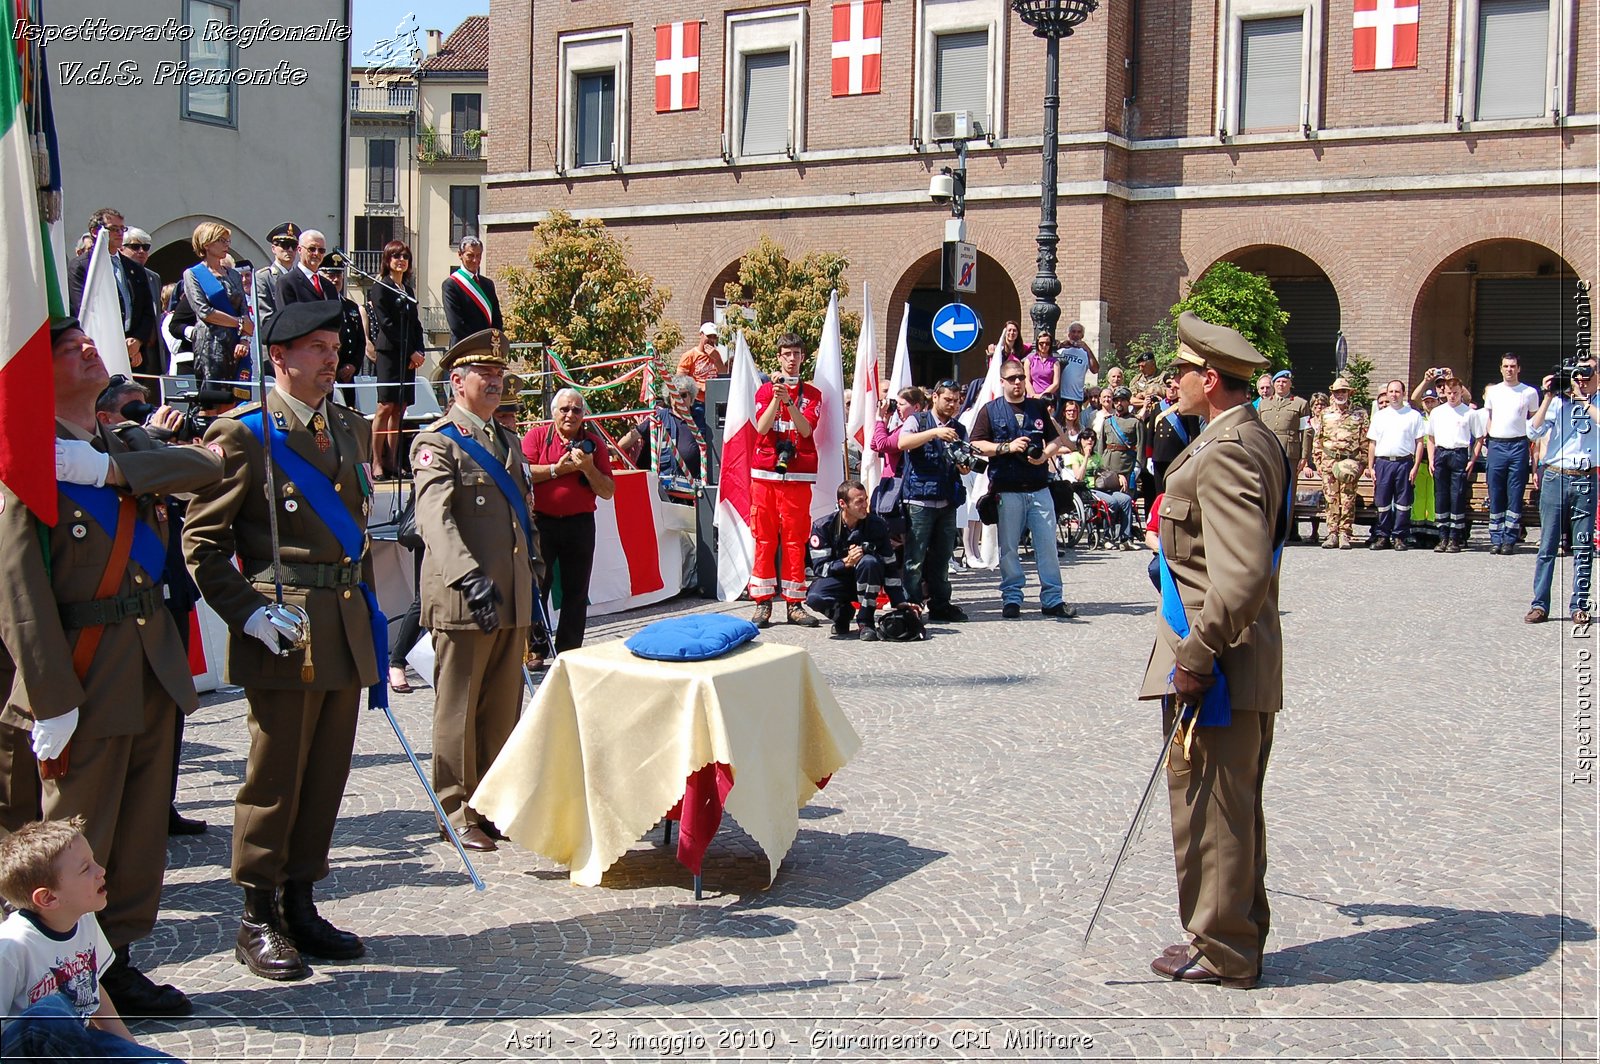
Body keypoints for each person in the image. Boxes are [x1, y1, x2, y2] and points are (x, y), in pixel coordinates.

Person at [0, 319, 223, 1015]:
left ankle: (113, 960)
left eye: (86, 342)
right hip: (84, 670)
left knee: (136, 829)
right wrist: (51, 696)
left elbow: (206, 466)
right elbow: (18, 591)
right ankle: (52, 975)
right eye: (67, 350)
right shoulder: (24, 464)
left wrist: (108, 469)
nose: (88, 348)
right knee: (74, 833)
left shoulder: (119, 443)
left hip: (149, 664)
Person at [183, 300, 380, 982]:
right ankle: (256, 914)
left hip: (344, 623)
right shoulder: (242, 436)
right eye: (316, 347)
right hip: (285, 629)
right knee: (274, 778)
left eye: (334, 345)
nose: (332, 357)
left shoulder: (349, 428)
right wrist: (247, 614)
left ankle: (301, 901)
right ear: (279, 357)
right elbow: (203, 545)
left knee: (325, 776)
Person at [1141, 311, 1289, 992]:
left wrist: (1197, 656)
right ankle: (1232, 931)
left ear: (1208, 378)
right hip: (1237, 651)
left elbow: (1241, 574)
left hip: (1221, 659)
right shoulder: (1252, 435)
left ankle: (1224, 950)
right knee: (1230, 803)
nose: (1170, 382)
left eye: (1178, 371)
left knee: (1214, 808)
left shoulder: (1227, 449)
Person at [412, 329, 537, 853]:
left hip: (510, 597)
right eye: (484, 375)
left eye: (499, 374)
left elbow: (518, 516)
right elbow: (434, 520)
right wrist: (469, 577)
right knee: (458, 710)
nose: (495, 382)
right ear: (456, 382)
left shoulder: (504, 440)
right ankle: (454, 809)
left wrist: (535, 565)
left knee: (501, 708)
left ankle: (492, 803)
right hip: (467, 597)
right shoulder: (436, 441)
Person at [0, 819, 186, 1061]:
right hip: (24, 1051)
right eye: (85, 868)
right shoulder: (11, 947)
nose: (101, 871)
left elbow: (91, 986)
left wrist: (134, 1050)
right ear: (47, 898)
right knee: (53, 1011)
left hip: (78, 1045)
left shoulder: (83, 918)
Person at [969, 358, 1074, 619]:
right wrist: (1006, 447)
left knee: (1047, 546)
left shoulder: (1037, 407)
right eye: (1013, 378)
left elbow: (1054, 440)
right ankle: (1012, 598)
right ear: (1002, 381)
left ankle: (1052, 599)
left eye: (1021, 378)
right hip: (1007, 490)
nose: (1018, 382)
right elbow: (976, 444)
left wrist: (1043, 456)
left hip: (1039, 489)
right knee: (1009, 549)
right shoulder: (991, 410)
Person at [521, 388, 615, 651]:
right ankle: (536, 648)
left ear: (583, 414)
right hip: (543, 523)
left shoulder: (594, 445)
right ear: (553, 413)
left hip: (580, 524)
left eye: (576, 410)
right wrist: (557, 470)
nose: (570, 415)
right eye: (564, 409)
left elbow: (607, 491)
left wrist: (587, 467)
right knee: (538, 587)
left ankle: (568, 652)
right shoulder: (537, 436)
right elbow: (522, 472)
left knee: (577, 591)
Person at [746, 334, 823, 627]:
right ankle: (763, 602)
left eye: (796, 354)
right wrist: (776, 399)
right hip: (765, 473)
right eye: (786, 354)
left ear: (803, 357)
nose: (792, 359)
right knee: (764, 538)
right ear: (778, 357)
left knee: (795, 540)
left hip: (798, 474)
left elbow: (805, 430)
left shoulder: (813, 394)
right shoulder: (765, 391)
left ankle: (794, 603)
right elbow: (762, 426)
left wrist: (790, 403)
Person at [1525, 364, 1598, 625]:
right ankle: (1539, 604)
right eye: (1576, 375)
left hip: (1586, 478)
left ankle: (1579, 605)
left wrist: (1582, 400)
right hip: (1556, 475)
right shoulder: (1557, 403)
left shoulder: (1597, 401)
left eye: (1587, 374)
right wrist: (1547, 396)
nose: (1581, 379)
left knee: (1583, 546)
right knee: (1547, 545)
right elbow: (1532, 431)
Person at [893, 380, 970, 620]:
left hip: (946, 500)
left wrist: (964, 465)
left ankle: (940, 604)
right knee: (914, 559)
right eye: (948, 399)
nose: (952, 405)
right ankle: (912, 605)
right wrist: (934, 433)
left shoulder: (959, 427)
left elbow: (964, 465)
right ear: (935, 397)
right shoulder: (918, 420)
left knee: (942, 557)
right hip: (918, 501)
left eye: (956, 400)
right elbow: (902, 443)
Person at [805, 480, 904, 639]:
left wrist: (898, 600)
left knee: (869, 562)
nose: (865, 505)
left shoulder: (877, 525)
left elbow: (890, 565)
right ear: (843, 504)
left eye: (866, 499)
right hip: (839, 580)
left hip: (867, 578)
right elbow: (819, 568)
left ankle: (866, 621)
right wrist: (845, 562)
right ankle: (842, 615)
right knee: (815, 597)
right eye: (859, 502)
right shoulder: (823, 527)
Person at [365, 240, 425, 478]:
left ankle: (393, 460)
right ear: (387, 260)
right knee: (385, 406)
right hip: (390, 353)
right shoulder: (381, 286)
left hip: (409, 355)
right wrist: (409, 350)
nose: (401, 260)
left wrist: (418, 350)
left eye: (405, 256)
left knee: (400, 408)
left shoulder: (407, 290)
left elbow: (416, 324)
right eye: (395, 256)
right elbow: (386, 324)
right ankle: (377, 461)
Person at [68, 208, 151, 373]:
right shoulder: (81, 266)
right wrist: (118, 345)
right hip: (100, 347)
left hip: (133, 352)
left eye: (122, 229)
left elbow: (147, 310)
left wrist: (138, 340)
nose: (120, 233)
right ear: (94, 231)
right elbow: (83, 309)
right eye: (114, 229)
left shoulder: (133, 268)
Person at [1483, 352, 1541, 554]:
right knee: (1496, 491)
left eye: (1513, 366)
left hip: (1518, 445)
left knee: (1515, 493)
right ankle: (1495, 538)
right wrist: (1489, 439)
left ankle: (1510, 539)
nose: (1509, 370)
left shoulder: (1529, 392)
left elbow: (1535, 421)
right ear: (1501, 368)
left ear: (1519, 368)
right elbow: (1489, 417)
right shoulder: (1493, 392)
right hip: (1497, 445)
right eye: (1506, 366)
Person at [182, 222, 252, 385]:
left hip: (236, 344)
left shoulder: (233, 275)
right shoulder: (193, 274)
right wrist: (239, 323)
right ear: (207, 244)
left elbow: (244, 309)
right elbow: (204, 311)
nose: (226, 245)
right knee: (215, 395)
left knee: (239, 395)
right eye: (221, 240)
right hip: (211, 345)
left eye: (228, 241)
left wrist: (244, 340)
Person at [1364, 380, 1427, 550]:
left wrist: (1415, 466)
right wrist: (1371, 466)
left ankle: (1400, 537)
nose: (1394, 395)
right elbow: (1372, 443)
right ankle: (1383, 536)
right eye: (1391, 392)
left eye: (1397, 391)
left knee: (1403, 502)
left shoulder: (1413, 415)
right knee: (1382, 502)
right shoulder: (1380, 416)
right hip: (1383, 463)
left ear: (1403, 393)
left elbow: (1419, 442)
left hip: (1404, 462)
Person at [1312, 377, 1368, 549]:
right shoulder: (1325, 414)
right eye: (1337, 392)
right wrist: (1318, 461)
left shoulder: (1360, 414)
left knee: (1348, 499)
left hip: (1350, 462)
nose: (1340, 395)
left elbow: (1365, 441)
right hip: (1329, 461)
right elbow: (1318, 439)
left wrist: (1362, 464)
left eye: (1343, 391)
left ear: (1349, 393)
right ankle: (1332, 533)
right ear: (1333, 394)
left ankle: (1345, 533)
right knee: (1331, 499)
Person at [441, 236, 504, 345]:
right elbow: (456, 324)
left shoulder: (488, 284)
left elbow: (497, 319)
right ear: (460, 255)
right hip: (463, 348)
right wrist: (479, 343)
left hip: (488, 348)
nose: (475, 260)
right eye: (470, 256)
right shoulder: (451, 285)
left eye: (478, 255)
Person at [319, 253, 369, 386]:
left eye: (339, 276)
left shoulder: (350, 306)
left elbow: (360, 340)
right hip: (327, 371)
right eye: (331, 276)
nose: (335, 280)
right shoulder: (319, 305)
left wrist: (353, 365)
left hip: (348, 374)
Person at [119, 227, 162, 368]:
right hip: (128, 345)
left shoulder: (154, 277)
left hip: (151, 347)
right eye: (135, 247)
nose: (141, 251)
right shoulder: (118, 275)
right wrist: (136, 341)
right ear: (121, 249)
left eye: (146, 247)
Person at [254, 222, 299, 344]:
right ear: (273, 248)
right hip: (276, 342)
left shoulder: (302, 278)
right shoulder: (263, 277)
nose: (289, 250)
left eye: (293, 246)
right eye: (284, 245)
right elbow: (265, 318)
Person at [1097, 386, 1146, 497]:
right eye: (1116, 400)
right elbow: (1101, 445)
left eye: (1122, 400)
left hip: (1126, 466)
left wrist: (1138, 466)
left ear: (1128, 402)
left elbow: (1141, 446)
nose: (1119, 403)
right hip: (1107, 466)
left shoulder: (1135, 422)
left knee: (1125, 500)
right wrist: (1100, 463)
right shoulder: (1107, 421)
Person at [274, 229, 337, 308]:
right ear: (299, 250)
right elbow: (287, 317)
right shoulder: (286, 282)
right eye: (312, 249)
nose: (316, 254)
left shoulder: (329, 285)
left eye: (321, 250)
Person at [676, 323, 728, 402]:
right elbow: (680, 379)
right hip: (697, 400)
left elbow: (724, 373)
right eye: (709, 336)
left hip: (715, 399)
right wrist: (700, 386)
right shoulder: (689, 355)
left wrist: (717, 359)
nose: (712, 340)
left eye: (714, 337)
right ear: (701, 335)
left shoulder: (716, 354)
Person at [1056, 321, 1099, 405]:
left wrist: (1088, 349)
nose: (1076, 334)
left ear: (1082, 335)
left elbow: (1095, 370)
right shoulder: (1062, 350)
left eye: (1079, 332)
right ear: (1069, 334)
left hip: (1076, 396)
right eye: (1073, 331)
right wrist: (1060, 345)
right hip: (1060, 395)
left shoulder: (1086, 353)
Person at [1025, 326, 1059, 405]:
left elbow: (1056, 383)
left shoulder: (1055, 362)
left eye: (1047, 343)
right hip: (1032, 398)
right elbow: (1026, 380)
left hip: (1048, 399)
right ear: (1037, 343)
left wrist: (1042, 396)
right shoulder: (1029, 359)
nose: (1044, 346)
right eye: (1041, 343)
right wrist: (1033, 395)